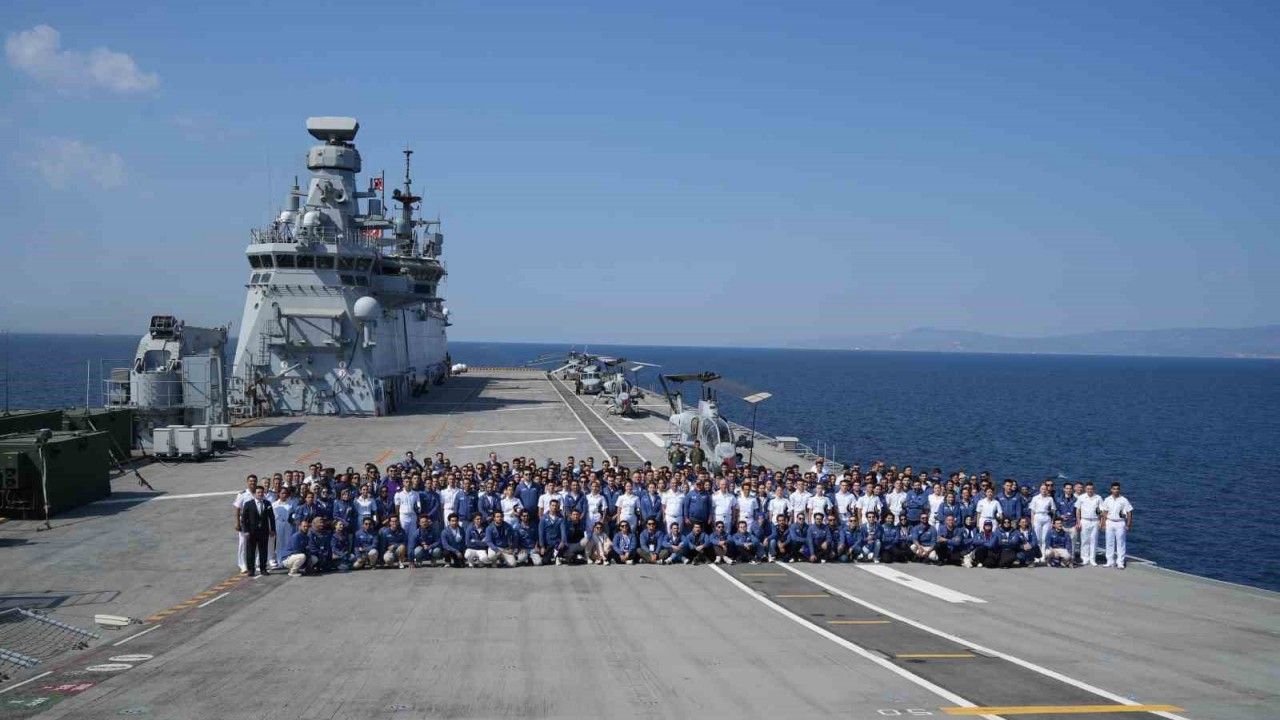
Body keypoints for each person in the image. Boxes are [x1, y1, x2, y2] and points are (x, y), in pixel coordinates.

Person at [240, 485, 275, 577]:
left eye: (261, 492)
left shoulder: (267, 503)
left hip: (264, 531)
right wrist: (245, 531)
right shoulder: (248, 504)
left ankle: (263, 569)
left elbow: (271, 517)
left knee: (263, 551)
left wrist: (272, 529)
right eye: (258, 492)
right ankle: (251, 570)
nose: (260, 494)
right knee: (250, 551)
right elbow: (244, 519)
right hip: (251, 532)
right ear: (255, 494)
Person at [1100, 482, 1134, 569]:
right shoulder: (1107, 499)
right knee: (1109, 542)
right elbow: (1104, 512)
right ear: (1111, 489)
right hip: (1109, 522)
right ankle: (1109, 561)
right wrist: (1103, 524)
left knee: (1121, 543)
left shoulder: (1124, 500)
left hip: (1120, 523)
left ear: (1119, 490)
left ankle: (1120, 562)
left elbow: (1129, 512)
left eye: (1117, 489)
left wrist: (1128, 524)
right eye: (1114, 489)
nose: (1116, 490)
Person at [233, 475, 258, 574]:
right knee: (243, 544)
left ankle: (253, 563)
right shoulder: (242, 494)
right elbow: (238, 509)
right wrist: (237, 523)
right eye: (251, 481)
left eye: (254, 481)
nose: (252, 483)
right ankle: (242, 564)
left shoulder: (258, 492)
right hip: (245, 522)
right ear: (247, 482)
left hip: (255, 522)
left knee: (255, 543)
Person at [1076, 482, 1103, 566]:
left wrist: (1101, 522)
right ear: (1085, 489)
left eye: (1091, 489)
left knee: (1094, 540)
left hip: (1095, 521)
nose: (1090, 490)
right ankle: (1084, 559)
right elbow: (1078, 510)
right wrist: (1078, 522)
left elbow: (1101, 511)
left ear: (1094, 489)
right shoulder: (1081, 497)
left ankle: (1092, 559)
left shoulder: (1098, 498)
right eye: (1088, 489)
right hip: (1084, 520)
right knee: (1084, 540)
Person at [1028, 483, 1057, 561]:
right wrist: (1032, 522)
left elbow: (1053, 510)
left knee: (1045, 538)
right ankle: (1037, 556)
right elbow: (1032, 511)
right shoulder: (1035, 498)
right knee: (1037, 538)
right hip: (1037, 517)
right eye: (1042, 489)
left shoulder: (1050, 499)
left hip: (1046, 517)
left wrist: (1052, 521)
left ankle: (1043, 556)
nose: (1044, 490)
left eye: (1045, 489)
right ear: (1040, 490)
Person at [538, 500, 569, 565]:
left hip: (557, 543)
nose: (554, 507)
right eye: (553, 505)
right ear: (549, 506)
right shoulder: (543, 518)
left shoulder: (561, 518)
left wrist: (563, 541)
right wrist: (542, 546)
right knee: (545, 561)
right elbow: (541, 533)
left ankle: (558, 557)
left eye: (556, 506)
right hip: (548, 544)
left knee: (563, 547)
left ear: (558, 507)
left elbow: (563, 531)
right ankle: (554, 556)